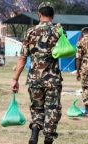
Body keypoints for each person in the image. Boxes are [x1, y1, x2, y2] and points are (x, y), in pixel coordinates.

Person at [12, 2, 62, 144]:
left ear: (39, 15)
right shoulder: (58, 31)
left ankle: (34, 132)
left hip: (34, 79)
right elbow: (67, 51)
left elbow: (22, 58)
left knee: (37, 108)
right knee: (52, 109)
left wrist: (15, 79)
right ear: (53, 15)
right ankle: (48, 138)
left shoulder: (30, 32)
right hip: (52, 79)